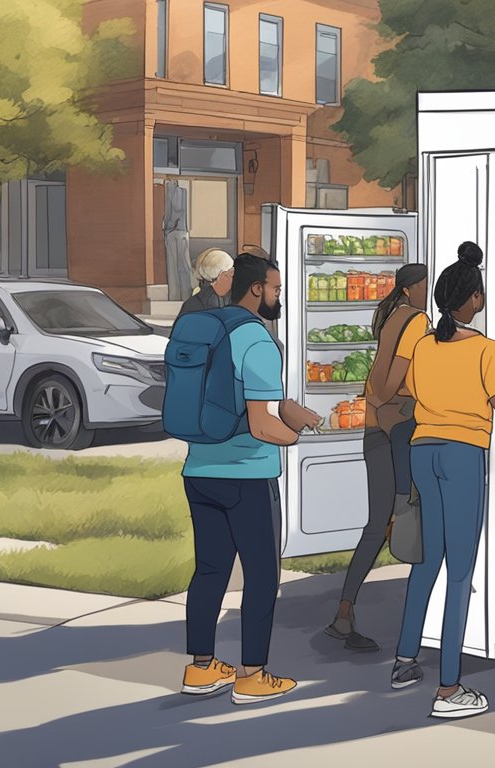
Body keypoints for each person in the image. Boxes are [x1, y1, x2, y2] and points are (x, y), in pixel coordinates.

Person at [390, 242, 495, 719]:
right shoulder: (487, 350)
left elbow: (405, 387)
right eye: (479, 295)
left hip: (424, 451)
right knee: (460, 570)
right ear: (473, 300)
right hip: (463, 456)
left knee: (428, 559)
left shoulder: (423, 345)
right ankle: (448, 689)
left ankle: (404, 660)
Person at [179, 255, 322, 704]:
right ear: (257, 289)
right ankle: (253, 675)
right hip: (246, 474)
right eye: (276, 289)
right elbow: (263, 426)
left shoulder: (208, 326)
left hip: (199, 468)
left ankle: (201, 669)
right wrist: (298, 432)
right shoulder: (257, 339)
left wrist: (286, 411)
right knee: (262, 575)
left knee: (209, 569)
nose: (278, 296)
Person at [325, 264, 430, 649]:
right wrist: (396, 404)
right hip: (399, 425)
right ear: (411, 289)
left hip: (375, 428)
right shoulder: (416, 320)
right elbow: (390, 379)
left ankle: (344, 610)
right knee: (415, 512)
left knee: (376, 524)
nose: (426, 292)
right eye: (423, 286)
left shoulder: (390, 318)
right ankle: (424, 624)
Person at [178, 249, 234, 318]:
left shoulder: (231, 298)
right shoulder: (198, 305)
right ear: (220, 276)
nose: (233, 276)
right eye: (230, 272)